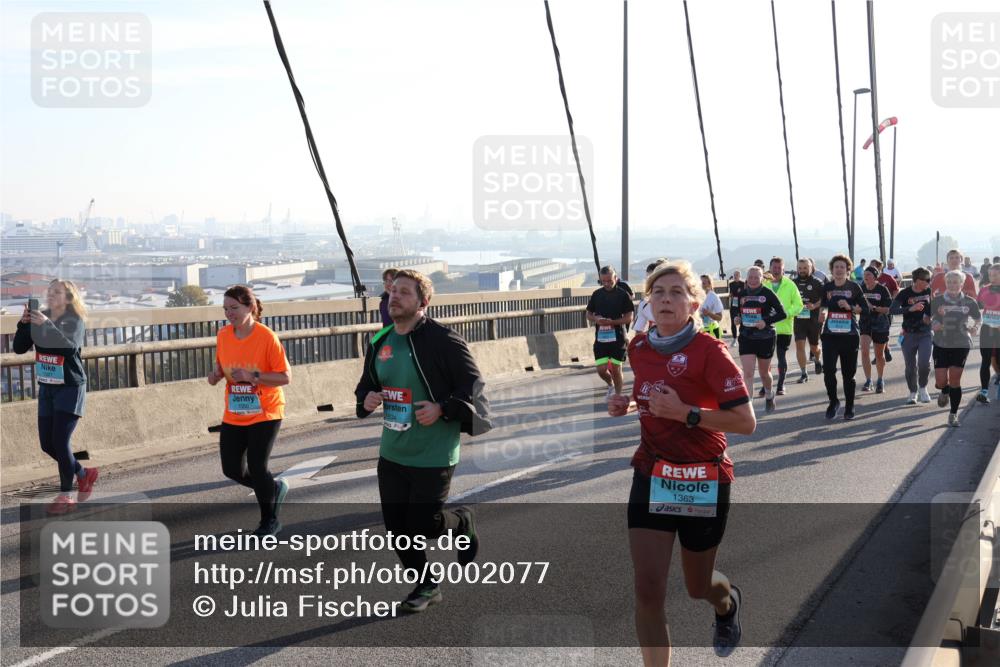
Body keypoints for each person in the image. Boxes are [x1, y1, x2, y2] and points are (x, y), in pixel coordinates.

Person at [607, 260, 755, 662]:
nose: (666, 300)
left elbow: (745, 422)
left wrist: (687, 413)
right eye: (658, 293)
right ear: (648, 303)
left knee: (698, 586)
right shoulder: (638, 347)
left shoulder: (712, 352)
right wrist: (626, 402)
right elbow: (650, 393)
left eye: (676, 293)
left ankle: (727, 604)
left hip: (703, 476)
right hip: (653, 472)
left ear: (693, 303)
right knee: (648, 588)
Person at [355, 269, 493, 613]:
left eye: (404, 292)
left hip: (434, 452)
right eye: (392, 291)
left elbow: (473, 389)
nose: (395, 297)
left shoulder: (444, 340)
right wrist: (368, 399)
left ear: (422, 302)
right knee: (398, 528)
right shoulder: (380, 341)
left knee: (423, 524)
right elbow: (365, 385)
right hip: (393, 450)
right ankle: (426, 585)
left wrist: (442, 408)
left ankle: (461, 520)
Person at [207, 285, 292, 537]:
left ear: (250, 307)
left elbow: (285, 377)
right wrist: (216, 375)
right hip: (235, 412)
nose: (229, 313)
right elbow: (222, 366)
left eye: (234, 308)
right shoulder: (223, 335)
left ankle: (269, 521)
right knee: (231, 469)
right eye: (225, 309)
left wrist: (253, 376)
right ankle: (273, 488)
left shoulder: (266, 337)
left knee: (257, 466)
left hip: (266, 410)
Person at [13, 280, 98, 515]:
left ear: (69, 297)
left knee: (61, 441)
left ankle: (66, 495)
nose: (51, 295)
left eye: (57, 292)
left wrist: (47, 325)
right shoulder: (40, 317)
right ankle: (83, 473)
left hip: (70, 386)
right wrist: (23, 324)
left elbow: (69, 347)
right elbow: (19, 348)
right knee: (47, 444)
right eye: (49, 292)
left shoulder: (74, 320)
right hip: (48, 386)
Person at [820, 255, 870, 420]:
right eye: (836, 267)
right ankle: (833, 402)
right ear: (832, 270)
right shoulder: (826, 287)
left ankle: (849, 405)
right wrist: (822, 314)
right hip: (830, 335)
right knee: (828, 372)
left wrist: (850, 307)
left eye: (842, 267)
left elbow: (864, 309)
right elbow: (823, 307)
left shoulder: (855, 287)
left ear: (848, 270)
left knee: (848, 374)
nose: (839, 270)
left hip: (849, 336)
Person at [930, 270, 982, 427]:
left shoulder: (969, 301)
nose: (952, 285)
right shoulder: (937, 301)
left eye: (955, 282)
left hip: (961, 343)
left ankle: (953, 414)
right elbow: (928, 318)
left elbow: (978, 318)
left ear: (962, 283)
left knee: (955, 380)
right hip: (941, 342)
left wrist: (975, 328)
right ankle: (943, 390)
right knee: (940, 381)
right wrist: (934, 324)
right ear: (946, 284)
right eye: (949, 282)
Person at [733, 266, 786, 413]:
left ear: (762, 278)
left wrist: (766, 321)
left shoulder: (768, 294)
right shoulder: (741, 293)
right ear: (747, 278)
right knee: (748, 373)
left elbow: (782, 314)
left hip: (765, 337)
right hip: (746, 336)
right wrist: (736, 318)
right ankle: (748, 408)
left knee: (764, 373)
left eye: (757, 277)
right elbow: (736, 310)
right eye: (751, 277)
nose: (753, 280)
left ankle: (769, 394)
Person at [586, 266, 635, 398]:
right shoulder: (597, 294)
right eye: (604, 281)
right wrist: (596, 319)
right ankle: (610, 384)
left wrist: (612, 322)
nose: (607, 284)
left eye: (610, 281)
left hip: (618, 338)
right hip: (601, 339)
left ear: (615, 278)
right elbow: (588, 314)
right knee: (601, 370)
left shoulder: (622, 295)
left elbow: (629, 317)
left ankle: (618, 395)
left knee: (616, 369)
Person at [891, 267, 934, 404]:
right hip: (908, 333)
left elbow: (934, 307)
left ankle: (923, 388)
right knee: (910, 366)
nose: (928, 282)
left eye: (929, 279)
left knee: (924, 363)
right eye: (926, 279)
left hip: (925, 332)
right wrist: (910, 308)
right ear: (916, 280)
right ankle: (913, 392)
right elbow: (892, 310)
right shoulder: (905, 293)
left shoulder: (928, 290)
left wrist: (930, 316)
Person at [764, 257, 803, 396]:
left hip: (784, 328)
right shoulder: (764, 283)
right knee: (765, 359)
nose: (776, 270)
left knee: (781, 357)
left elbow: (799, 305)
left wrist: (787, 313)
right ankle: (766, 385)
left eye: (779, 268)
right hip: (766, 327)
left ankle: (781, 385)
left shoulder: (790, 285)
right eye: (774, 267)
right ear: (770, 268)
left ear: (783, 269)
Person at [859, 267, 892, 393]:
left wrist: (874, 308)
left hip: (880, 324)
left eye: (868, 274)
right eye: (864, 274)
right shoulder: (861, 289)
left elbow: (888, 309)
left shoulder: (882, 289)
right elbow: (856, 305)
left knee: (879, 354)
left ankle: (880, 379)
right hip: (865, 323)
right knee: (864, 351)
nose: (866, 277)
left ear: (875, 276)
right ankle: (868, 380)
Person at [793, 258, 825, 382]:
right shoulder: (793, 283)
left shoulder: (817, 282)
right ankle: (804, 373)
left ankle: (817, 360)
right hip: (799, 319)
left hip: (814, 320)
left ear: (811, 268)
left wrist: (815, 306)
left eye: (805, 268)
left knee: (814, 347)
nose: (802, 270)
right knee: (799, 346)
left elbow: (825, 299)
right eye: (800, 268)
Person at [976, 264, 1000, 404]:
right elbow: (978, 307)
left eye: (996, 275)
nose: (992, 277)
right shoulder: (984, 289)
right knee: (985, 360)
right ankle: (984, 391)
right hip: (987, 328)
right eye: (990, 275)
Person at [635, 260, 668, 334]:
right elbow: (638, 331)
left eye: (653, 278)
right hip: (653, 343)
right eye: (648, 278)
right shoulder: (644, 304)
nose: (650, 281)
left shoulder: (675, 302)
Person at [699, 274, 724, 339]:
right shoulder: (695, 296)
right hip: (699, 331)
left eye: (703, 283)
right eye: (700, 283)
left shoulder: (714, 297)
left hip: (712, 331)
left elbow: (719, 318)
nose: (701, 285)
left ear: (709, 284)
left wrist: (708, 313)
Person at [727, 270, 745, 344]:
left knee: (742, 321)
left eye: (737, 275)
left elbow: (744, 293)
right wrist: (730, 296)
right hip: (734, 304)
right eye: (734, 275)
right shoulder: (731, 284)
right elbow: (731, 293)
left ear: (740, 276)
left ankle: (741, 337)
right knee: (733, 321)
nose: (735, 276)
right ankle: (734, 338)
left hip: (741, 304)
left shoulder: (743, 284)